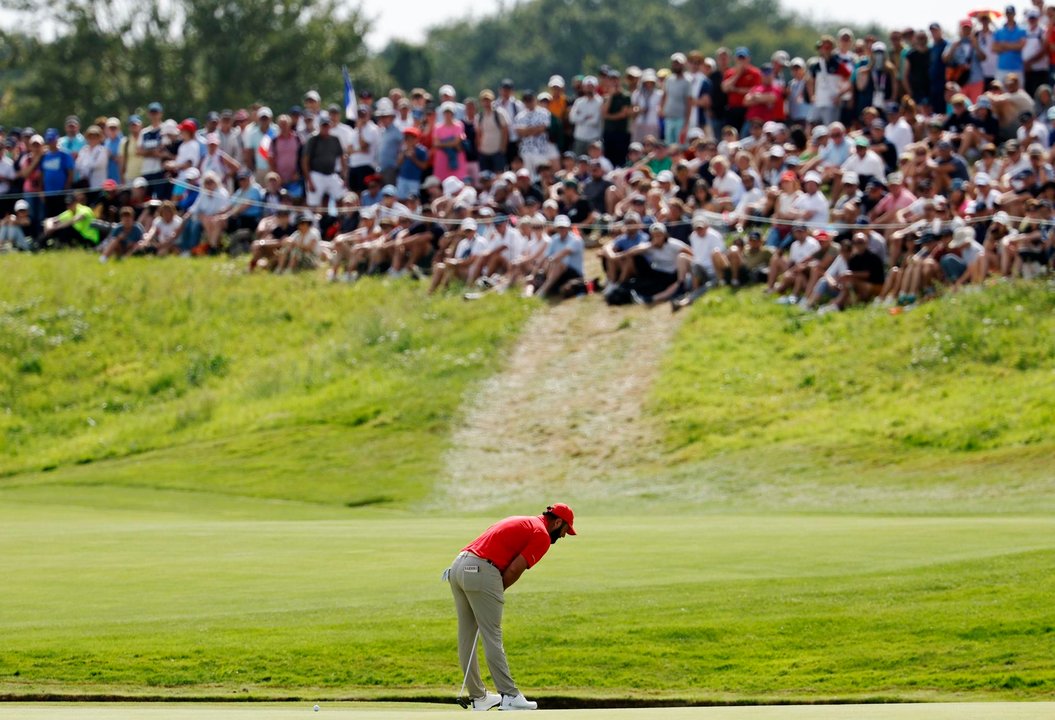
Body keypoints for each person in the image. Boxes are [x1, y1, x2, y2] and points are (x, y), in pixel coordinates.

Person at [445, 504, 576, 712]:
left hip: (458, 566)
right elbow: (515, 569)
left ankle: (478, 697)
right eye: (565, 530)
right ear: (558, 522)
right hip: (481, 571)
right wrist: (495, 592)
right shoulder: (541, 534)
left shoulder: (522, 520)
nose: (564, 536)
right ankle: (509, 695)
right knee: (492, 635)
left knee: (467, 635)